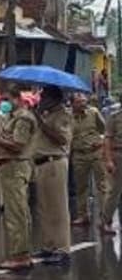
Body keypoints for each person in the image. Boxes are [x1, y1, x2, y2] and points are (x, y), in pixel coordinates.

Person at [0, 91, 38, 270]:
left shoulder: (23, 119)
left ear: (19, 99)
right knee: (16, 211)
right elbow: (6, 141)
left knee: (16, 213)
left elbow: (17, 146)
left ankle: (20, 255)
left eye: (8, 99)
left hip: (16, 166)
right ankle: (21, 253)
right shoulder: (11, 118)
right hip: (9, 166)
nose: (5, 103)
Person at [30, 85, 73, 266]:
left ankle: (62, 248)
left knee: (58, 208)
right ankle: (48, 246)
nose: (41, 99)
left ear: (54, 98)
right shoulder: (46, 114)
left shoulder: (63, 115)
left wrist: (41, 123)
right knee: (44, 208)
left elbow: (62, 139)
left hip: (54, 162)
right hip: (41, 164)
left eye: (44, 96)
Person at [69, 92, 108, 227]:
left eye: (84, 101)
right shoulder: (68, 117)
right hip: (79, 155)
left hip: (96, 152)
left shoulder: (93, 112)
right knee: (81, 187)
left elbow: (105, 130)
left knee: (102, 186)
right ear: (73, 104)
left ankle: (104, 218)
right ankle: (82, 215)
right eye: (79, 102)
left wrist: (101, 141)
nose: (83, 104)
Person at [102, 93, 121, 236]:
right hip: (117, 155)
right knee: (114, 191)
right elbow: (107, 139)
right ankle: (105, 222)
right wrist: (108, 160)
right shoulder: (114, 117)